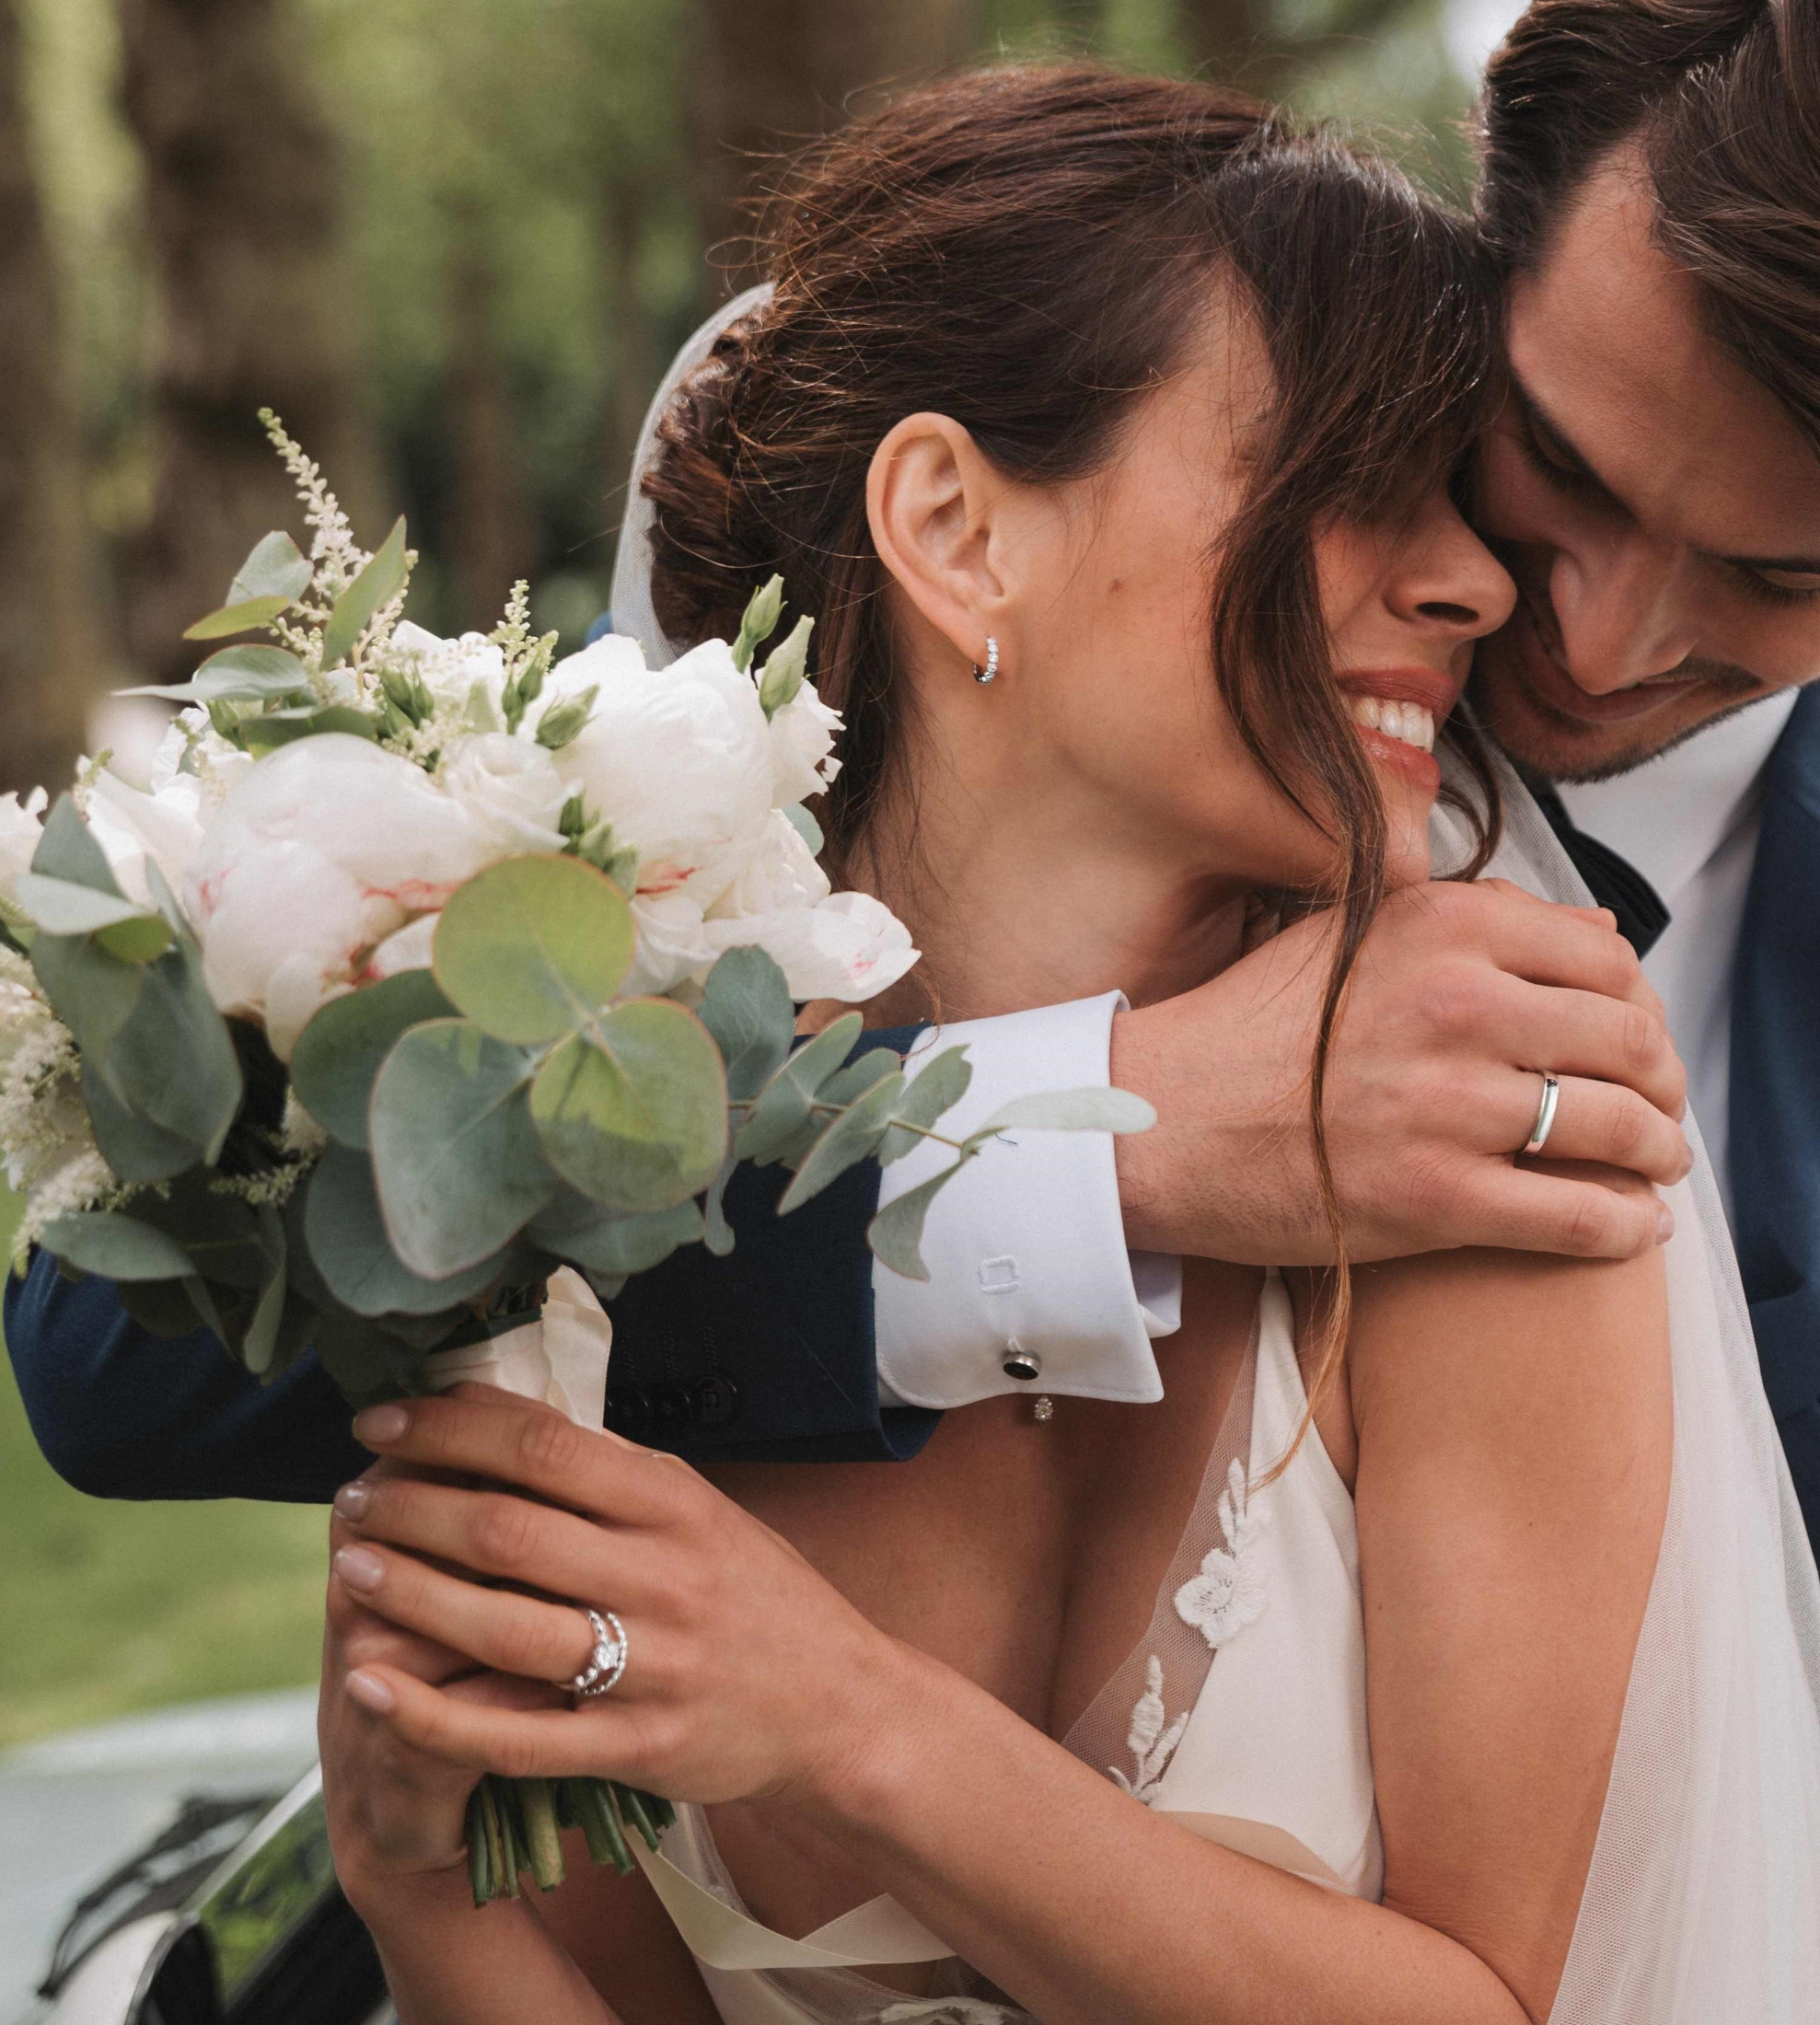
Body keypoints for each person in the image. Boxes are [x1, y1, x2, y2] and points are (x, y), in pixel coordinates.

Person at [313, 65, 1820, 2024]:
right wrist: (424, 1899)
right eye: (1410, 467)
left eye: (1777, 573)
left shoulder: (1487, 1129)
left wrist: (839, 1714)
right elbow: (141, 1351)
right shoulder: (609, 1111)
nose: (1545, 618)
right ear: (951, 526)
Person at [13, 1, 1807, 1509]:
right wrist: (1083, 1145)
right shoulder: (1018, 475)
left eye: (1773, 574)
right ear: (1489, 252)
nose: (1591, 636)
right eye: (1557, 470)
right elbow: (132, 1346)